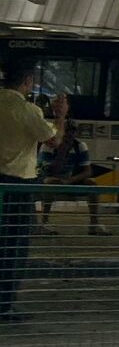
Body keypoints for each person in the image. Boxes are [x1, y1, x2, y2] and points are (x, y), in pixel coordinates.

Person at [1, 63, 64, 312]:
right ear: (26, 81)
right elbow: (54, 140)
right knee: (14, 244)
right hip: (17, 185)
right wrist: (61, 115)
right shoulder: (27, 110)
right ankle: (5, 304)